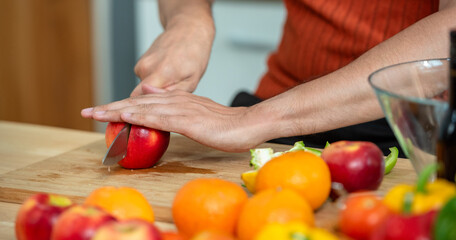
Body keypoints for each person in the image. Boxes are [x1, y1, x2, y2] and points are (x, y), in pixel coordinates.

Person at [81, 0, 456, 154]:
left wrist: (257, 119)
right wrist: (188, 19)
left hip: (407, 124)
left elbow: (449, 32)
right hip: (280, 100)